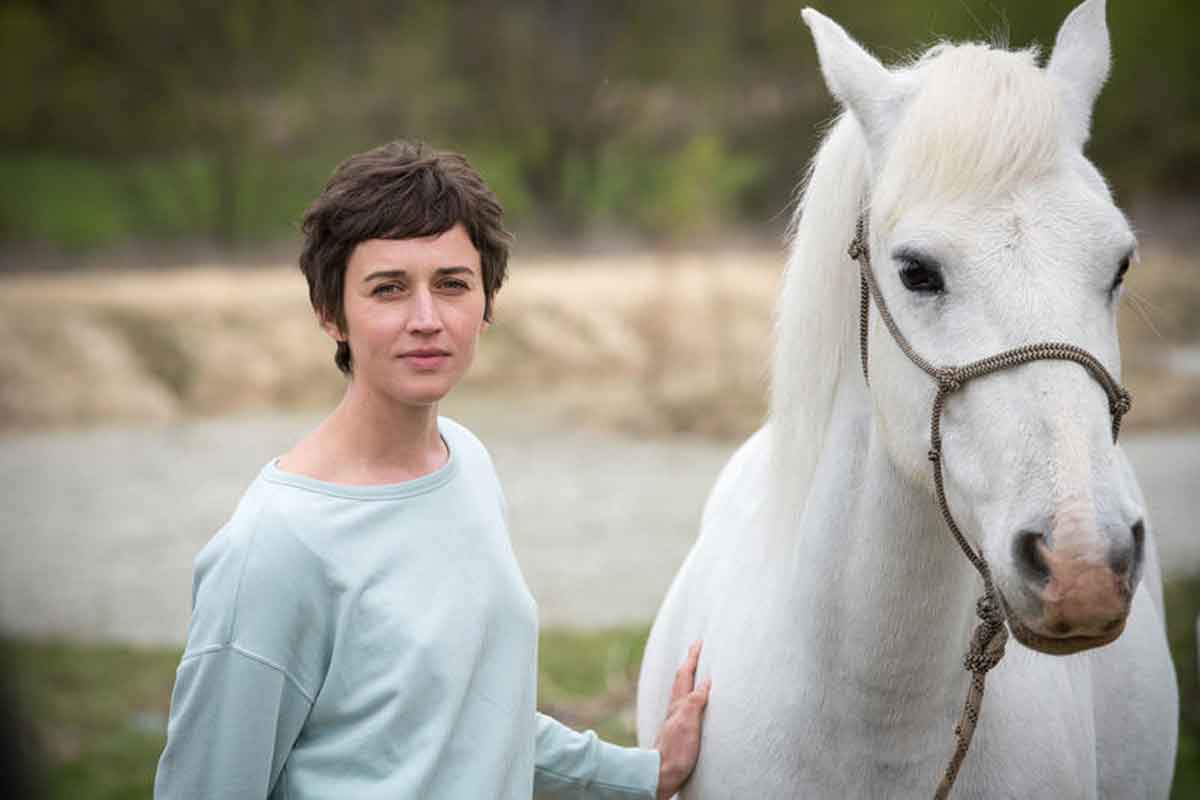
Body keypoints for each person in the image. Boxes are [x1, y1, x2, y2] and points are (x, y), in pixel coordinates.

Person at [154, 140, 710, 799]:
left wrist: (645, 773)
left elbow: (474, 721)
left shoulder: (467, 464)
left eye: (452, 285)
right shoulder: (274, 547)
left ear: (487, 303)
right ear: (330, 313)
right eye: (388, 289)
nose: (426, 320)